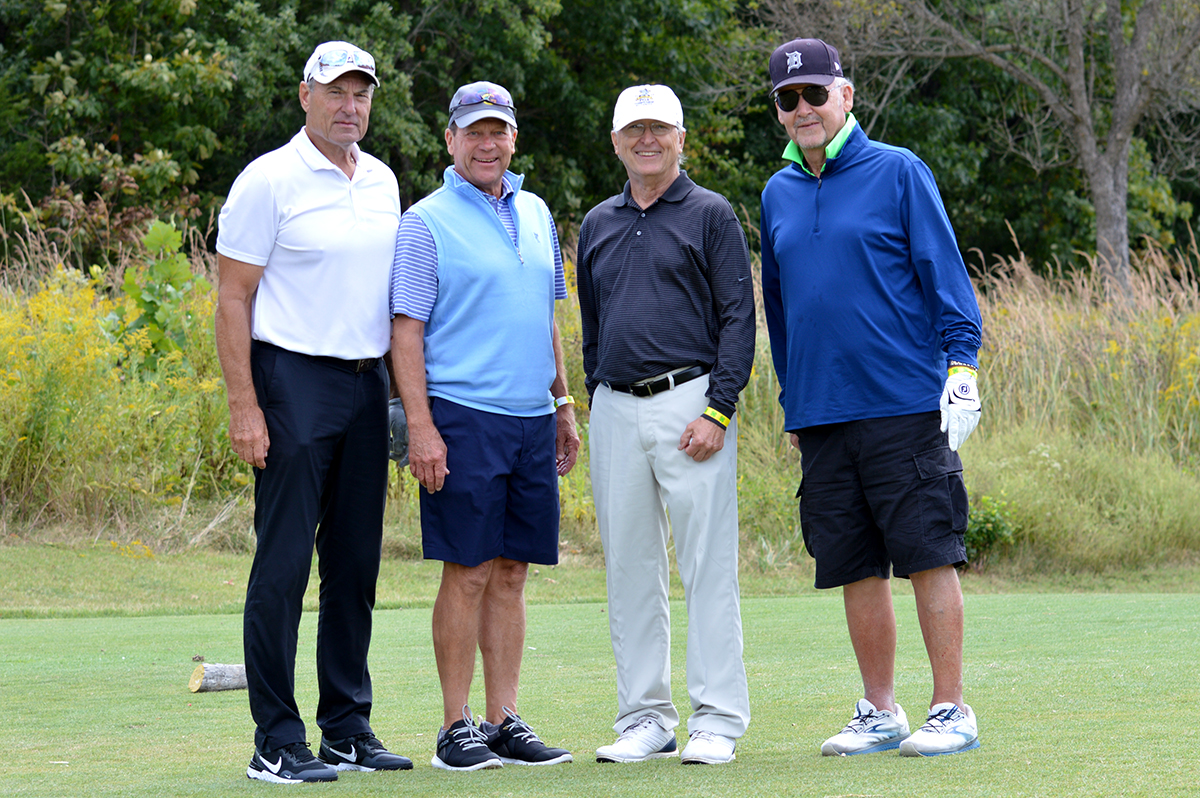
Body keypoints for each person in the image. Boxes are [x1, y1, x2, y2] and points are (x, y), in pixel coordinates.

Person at [759, 38, 984, 758]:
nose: (802, 109)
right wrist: (794, 400)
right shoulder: (777, 193)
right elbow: (782, 308)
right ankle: (880, 711)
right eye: (787, 100)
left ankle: (950, 708)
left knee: (926, 553)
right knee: (853, 564)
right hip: (823, 414)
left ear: (845, 96)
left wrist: (962, 364)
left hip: (903, 404)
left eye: (814, 95)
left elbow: (945, 277)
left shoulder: (898, 172)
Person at [214, 40, 412, 784]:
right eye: (335, 92)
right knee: (285, 563)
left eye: (361, 93)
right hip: (291, 379)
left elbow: (392, 302)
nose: (349, 105)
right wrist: (246, 407)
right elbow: (233, 298)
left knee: (355, 565)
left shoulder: (385, 181)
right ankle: (276, 738)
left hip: (366, 388)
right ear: (306, 96)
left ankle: (345, 728)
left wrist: (401, 401)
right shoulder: (269, 179)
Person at [390, 80, 580, 771]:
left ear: (513, 139)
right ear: (450, 141)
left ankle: (504, 720)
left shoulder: (535, 212)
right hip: (463, 418)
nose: (486, 143)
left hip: (532, 418)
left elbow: (548, 320)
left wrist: (563, 404)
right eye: (473, 132)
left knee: (511, 573)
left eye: (497, 131)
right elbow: (404, 334)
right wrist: (421, 426)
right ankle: (454, 727)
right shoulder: (425, 221)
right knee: (467, 573)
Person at [576, 84, 755, 766]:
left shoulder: (710, 213)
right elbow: (594, 323)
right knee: (629, 567)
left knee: (707, 566)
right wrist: (598, 395)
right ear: (617, 141)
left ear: (681, 138)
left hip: (693, 402)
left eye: (659, 129)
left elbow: (739, 317)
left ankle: (718, 718)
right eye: (633, 130)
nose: (645, 140)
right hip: (616, 406)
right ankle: (646, 718)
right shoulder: (598, 221)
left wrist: (720, 407)